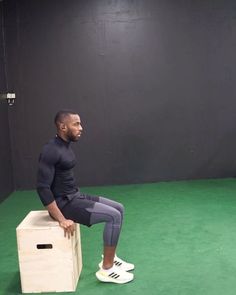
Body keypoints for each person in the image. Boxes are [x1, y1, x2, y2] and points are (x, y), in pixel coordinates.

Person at [36, 110, 134, 284]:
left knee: (119, 208)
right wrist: (61, 218)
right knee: (114, 216)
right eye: (76, 124)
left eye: (80, 124)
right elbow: (42, 188)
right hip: (63, 205)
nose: (81, 128)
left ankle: (111, 257)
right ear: (62, 126)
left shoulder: (64, 145)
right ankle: (107, 269)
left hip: (74, 196)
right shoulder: (50, 150)